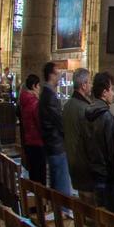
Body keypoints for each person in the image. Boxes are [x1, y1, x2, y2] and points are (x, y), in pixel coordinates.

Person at [82, 72, 114, 214]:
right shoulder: (107, 118)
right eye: (111, 90)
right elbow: (113, 151)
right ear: (104, 92)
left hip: (93, 171)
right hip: (108, 176)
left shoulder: (87, 113)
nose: (113, 94)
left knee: (101, 216)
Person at [39, 62, 71, 194]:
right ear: (51, 75)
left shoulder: (46, 94)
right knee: (62, 189)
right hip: (56, 145)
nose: (59, 77)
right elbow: (59, 121)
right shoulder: (49, 96)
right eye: (57, 74)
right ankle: (62, 213)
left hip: (52, 144)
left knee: (56, 184)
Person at [63, 67, 93, 190]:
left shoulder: (67, 105)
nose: (91, 85)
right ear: (83, 85)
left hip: (72, 162)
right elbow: (89, 139)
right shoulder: (84, 109)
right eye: (90, 82)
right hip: (84, 165)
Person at [18, 73, 45, 184]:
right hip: (37, 142)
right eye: (39, 86)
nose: (39, 89)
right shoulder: (34, 103)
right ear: (34, 86)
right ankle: (42, 201)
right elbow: (40, 123)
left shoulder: (23, 101)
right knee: (40, 177)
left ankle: (35, 198)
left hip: (28, 141)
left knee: (33, 176)